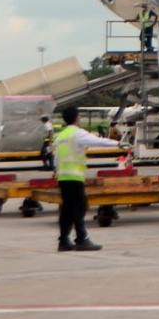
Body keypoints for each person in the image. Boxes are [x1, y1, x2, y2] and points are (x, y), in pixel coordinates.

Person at [51, 106, 122, 252]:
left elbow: (56, 158)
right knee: (80, 207)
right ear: (76, 118)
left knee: (67, 209)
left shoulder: (61, 136)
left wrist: (57, 173)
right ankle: (81, 239)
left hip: (63, 177)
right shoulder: (77, 133)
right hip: (75, 177)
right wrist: (118, 144)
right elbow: (97, 141)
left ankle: (64, 241)